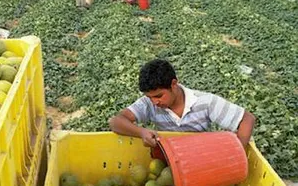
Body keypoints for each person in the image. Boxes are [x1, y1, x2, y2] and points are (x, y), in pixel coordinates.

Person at [109, 59, 256, 148]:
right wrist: (141, 132)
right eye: (150, 97)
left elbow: (247, 119)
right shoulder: (149, 103)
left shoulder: (205, 102)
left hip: (199, 154)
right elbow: (116, 122)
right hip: (170, 155)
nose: (155, 102)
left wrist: (238, 152)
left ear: (173, 84)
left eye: (159, 96)